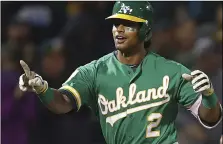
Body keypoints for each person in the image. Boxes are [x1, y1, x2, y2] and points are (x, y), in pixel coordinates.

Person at [19, 1, 222, 144]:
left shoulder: (172, 70)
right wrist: (43, 89)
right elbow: (63, 103)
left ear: (146, 30)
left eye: (129, 24)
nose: (120, 29)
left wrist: (209, 97)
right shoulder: (94, 71)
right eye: (117, 23)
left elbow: (210, 119)